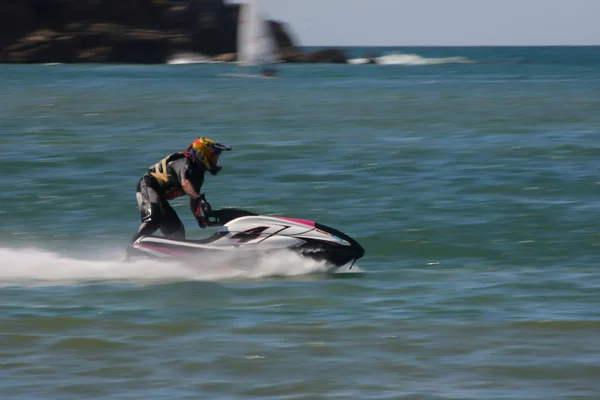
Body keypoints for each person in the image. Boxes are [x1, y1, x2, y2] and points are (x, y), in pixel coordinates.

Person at [131, 137, 232, 243]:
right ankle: (131, 251)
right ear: (203, 154)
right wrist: (200, 199)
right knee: (152, 219)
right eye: (214, 157)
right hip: (147, 186)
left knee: (176, 232)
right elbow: (185, 184)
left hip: (160, 197)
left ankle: (174, 256)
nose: (215, 160)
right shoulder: (185, 162)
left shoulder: (198, 175)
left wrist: (199, 217)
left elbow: (193, 197)